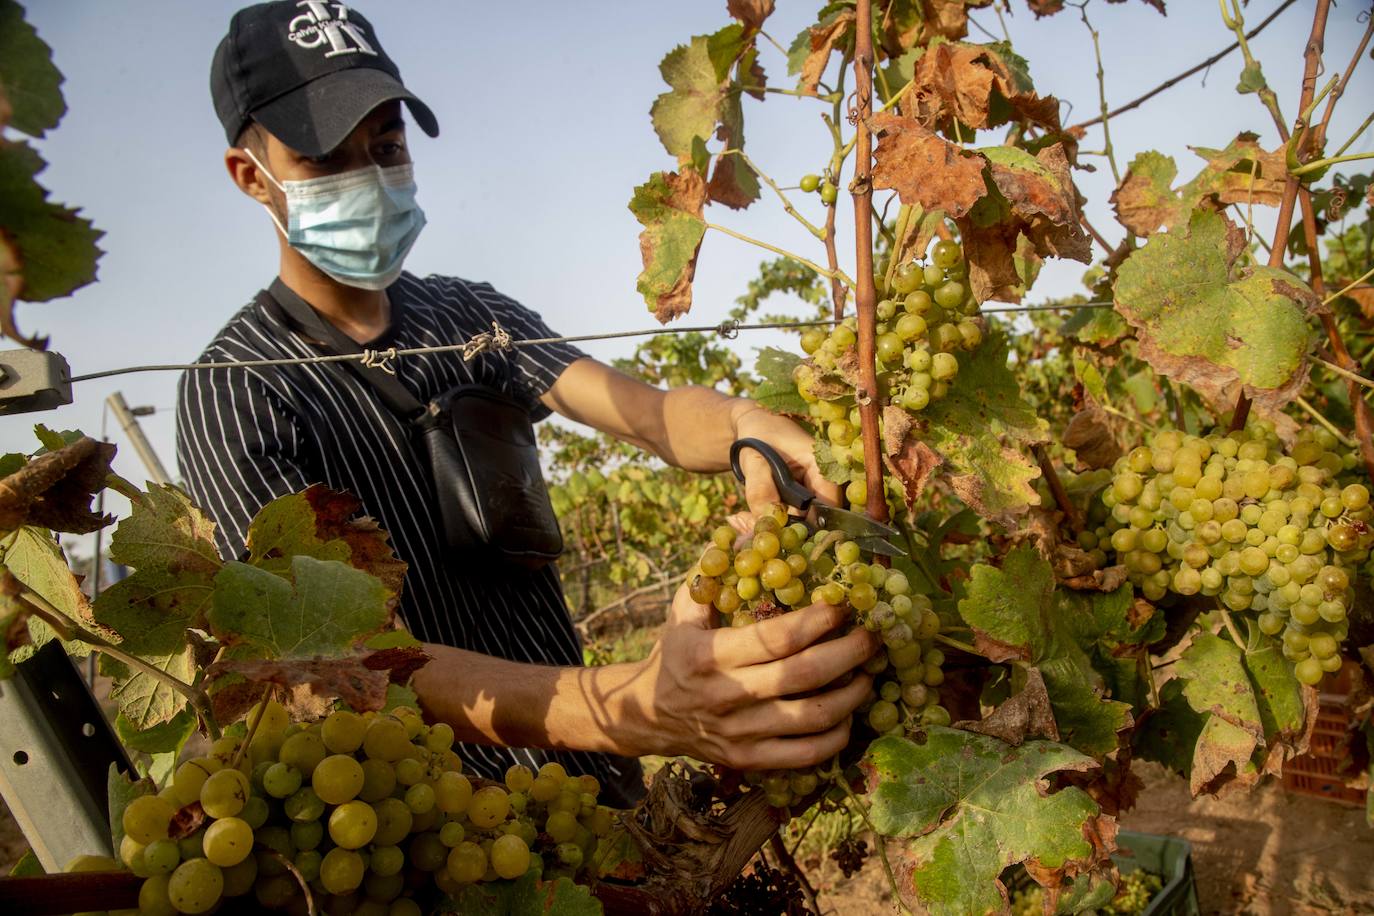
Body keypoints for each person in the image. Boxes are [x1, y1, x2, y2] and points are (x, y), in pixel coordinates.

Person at [178, 1, 877, 806]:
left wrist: (743, 427)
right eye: (325, 160)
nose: (367, 177)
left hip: (599, 788)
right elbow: (346, 660)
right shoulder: (237, 390)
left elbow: (644, 413)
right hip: (448, 830)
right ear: (249, 175)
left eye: (384, 146)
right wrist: (632, 708)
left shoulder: (471, 317)